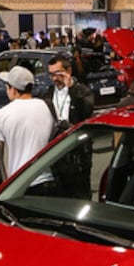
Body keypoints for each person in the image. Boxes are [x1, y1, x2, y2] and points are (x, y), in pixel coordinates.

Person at [40, 56, 94, 194]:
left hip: (78, 152)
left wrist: (72, 89)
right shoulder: (47, 94)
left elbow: (86, 112)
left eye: (58, 74)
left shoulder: (82, 91)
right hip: (56, 151)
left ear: (68, 71)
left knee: (80, 192)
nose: (54, 78)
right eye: (51, 75)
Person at [0, 67, 55, 180]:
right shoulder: (46, 106)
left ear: (13, 89)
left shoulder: (2, 115)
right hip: (47, 178)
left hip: (18, 184)